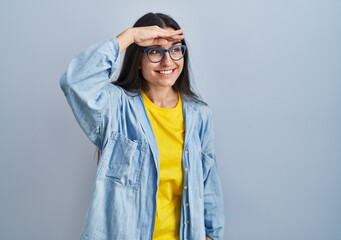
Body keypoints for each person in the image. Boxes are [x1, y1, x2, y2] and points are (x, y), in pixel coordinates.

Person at [60, 12, 225, 240]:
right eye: (155, 51)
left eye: (175, 49)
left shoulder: (200, 115)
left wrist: (212, 235)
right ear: (138, 60)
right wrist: (130, 36)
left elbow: (209, 184)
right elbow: (74, 80)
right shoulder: (116, 107)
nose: (168, 61)